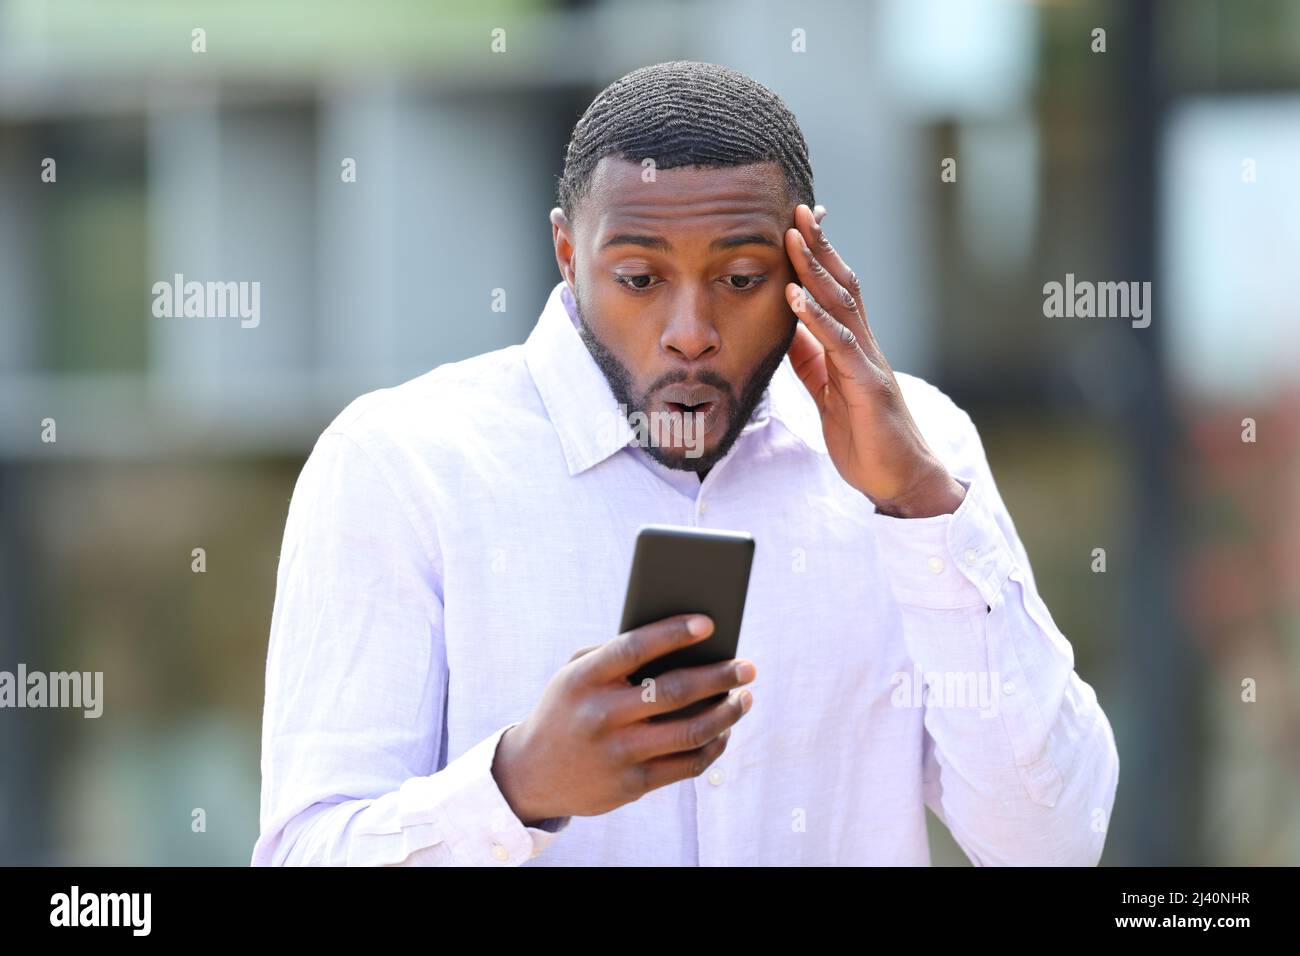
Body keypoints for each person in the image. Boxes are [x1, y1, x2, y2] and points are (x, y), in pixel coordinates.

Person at [252, 60, 1119, 866]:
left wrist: (924, 506)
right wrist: (516, 786)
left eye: (740, 278)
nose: (690, 330)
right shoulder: (402, 466)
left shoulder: (924, 449)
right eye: (638, 278)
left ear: (803, 259)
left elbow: (1050, 842)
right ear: (567, 255)